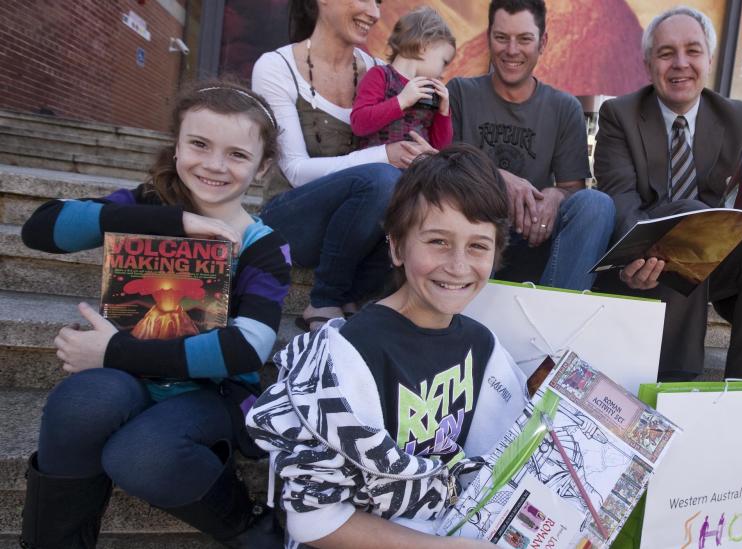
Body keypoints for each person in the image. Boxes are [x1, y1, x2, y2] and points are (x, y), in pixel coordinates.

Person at [18, 82, 291, 548]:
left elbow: (246, 348)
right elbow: (39, 229)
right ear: (177, 145)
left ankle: (250, 526)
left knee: (143, 453)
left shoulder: (263, 246)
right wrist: (174, 223)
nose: (213, 165)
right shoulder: (145, 208)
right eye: (199, 144)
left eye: (237, 154)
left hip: (213, 393)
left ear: (263, 166)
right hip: (128, 380)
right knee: (81, 402)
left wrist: (116, 352)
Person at [246, 145, 529, 549]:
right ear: (396, 247)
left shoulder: (481, 346)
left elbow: (501, 460)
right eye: (438, 241)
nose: (459, 265)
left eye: (478, 246)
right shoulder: (349, 352)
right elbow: (312, 521)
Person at [593, 6, 742, 381]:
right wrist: (641, 253)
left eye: (692, 51)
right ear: (648, 63)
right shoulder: (619, 116)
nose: (680, 64)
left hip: (717, 263)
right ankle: (676, 380)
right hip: (644, 266)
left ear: (709, 59)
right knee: (689, 217)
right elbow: (621, 203)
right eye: (666, 53)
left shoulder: (737, 116)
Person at [252, 0, 436, 331]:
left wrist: (421, 154)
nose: (375, 13)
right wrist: (384, 155)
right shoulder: (276, 67)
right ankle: (324, 300)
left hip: (359, 229)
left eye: (379, 3)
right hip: (292, 222)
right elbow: (295, 170)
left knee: (413, 194)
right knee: (382, 179)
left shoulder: (382, 73)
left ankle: (368, 301)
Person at [447, 0, 614, 291]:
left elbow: (572, 190)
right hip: (471, 230)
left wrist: (554, 196)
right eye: (502, 38)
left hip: (536, 236)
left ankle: (557, 319)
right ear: (489, 37)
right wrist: (498, 178)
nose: (512, 51)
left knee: (597, 204)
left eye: (524, 39)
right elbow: (442, 170)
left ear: (543, 42)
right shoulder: (460, 93)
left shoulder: (564, 108)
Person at [350, 6, 455, 150]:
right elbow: (359, 124)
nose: (443, 73)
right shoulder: (381, 76)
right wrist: (402, 101)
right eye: (444, 62)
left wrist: (443, 112)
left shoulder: (430, 92)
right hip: (378, 167)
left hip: (417, 169)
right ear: (423, 47)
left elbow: (441, 149)